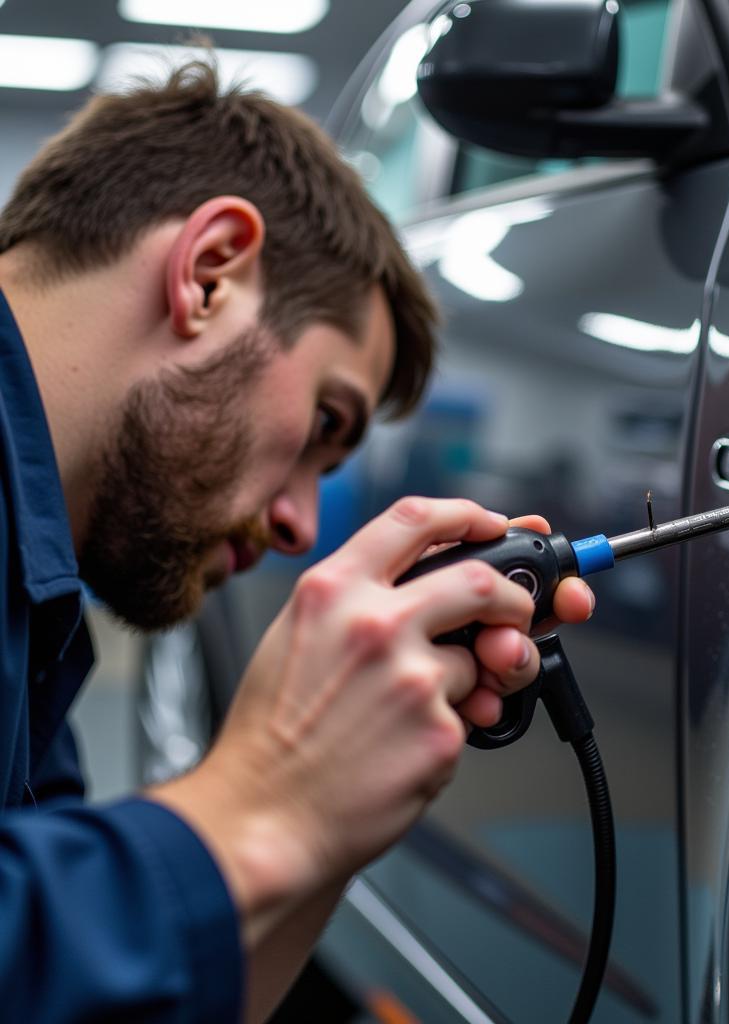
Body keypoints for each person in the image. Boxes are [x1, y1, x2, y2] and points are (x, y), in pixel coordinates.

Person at [0, 61, 595, 1021]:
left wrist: (335, 823)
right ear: (209, 274)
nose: (300, 528)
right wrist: (270, 798)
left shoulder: (39, 599)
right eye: (325, 422)